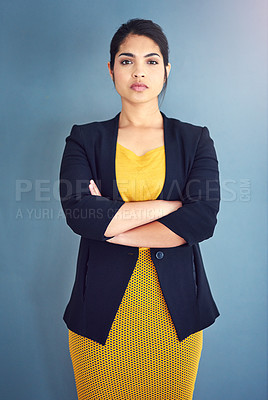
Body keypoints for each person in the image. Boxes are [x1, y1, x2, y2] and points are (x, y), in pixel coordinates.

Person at [59, 18, 220, 400]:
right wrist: (169, 206)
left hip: (175, 314)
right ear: (111, 68)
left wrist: (113, 224)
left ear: (166, 70)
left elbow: (201, 218)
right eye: (126, 60)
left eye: (151, 61)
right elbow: (81, 214)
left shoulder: (194, 139)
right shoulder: (85, 138)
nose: (139, 71)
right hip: (100, 312)